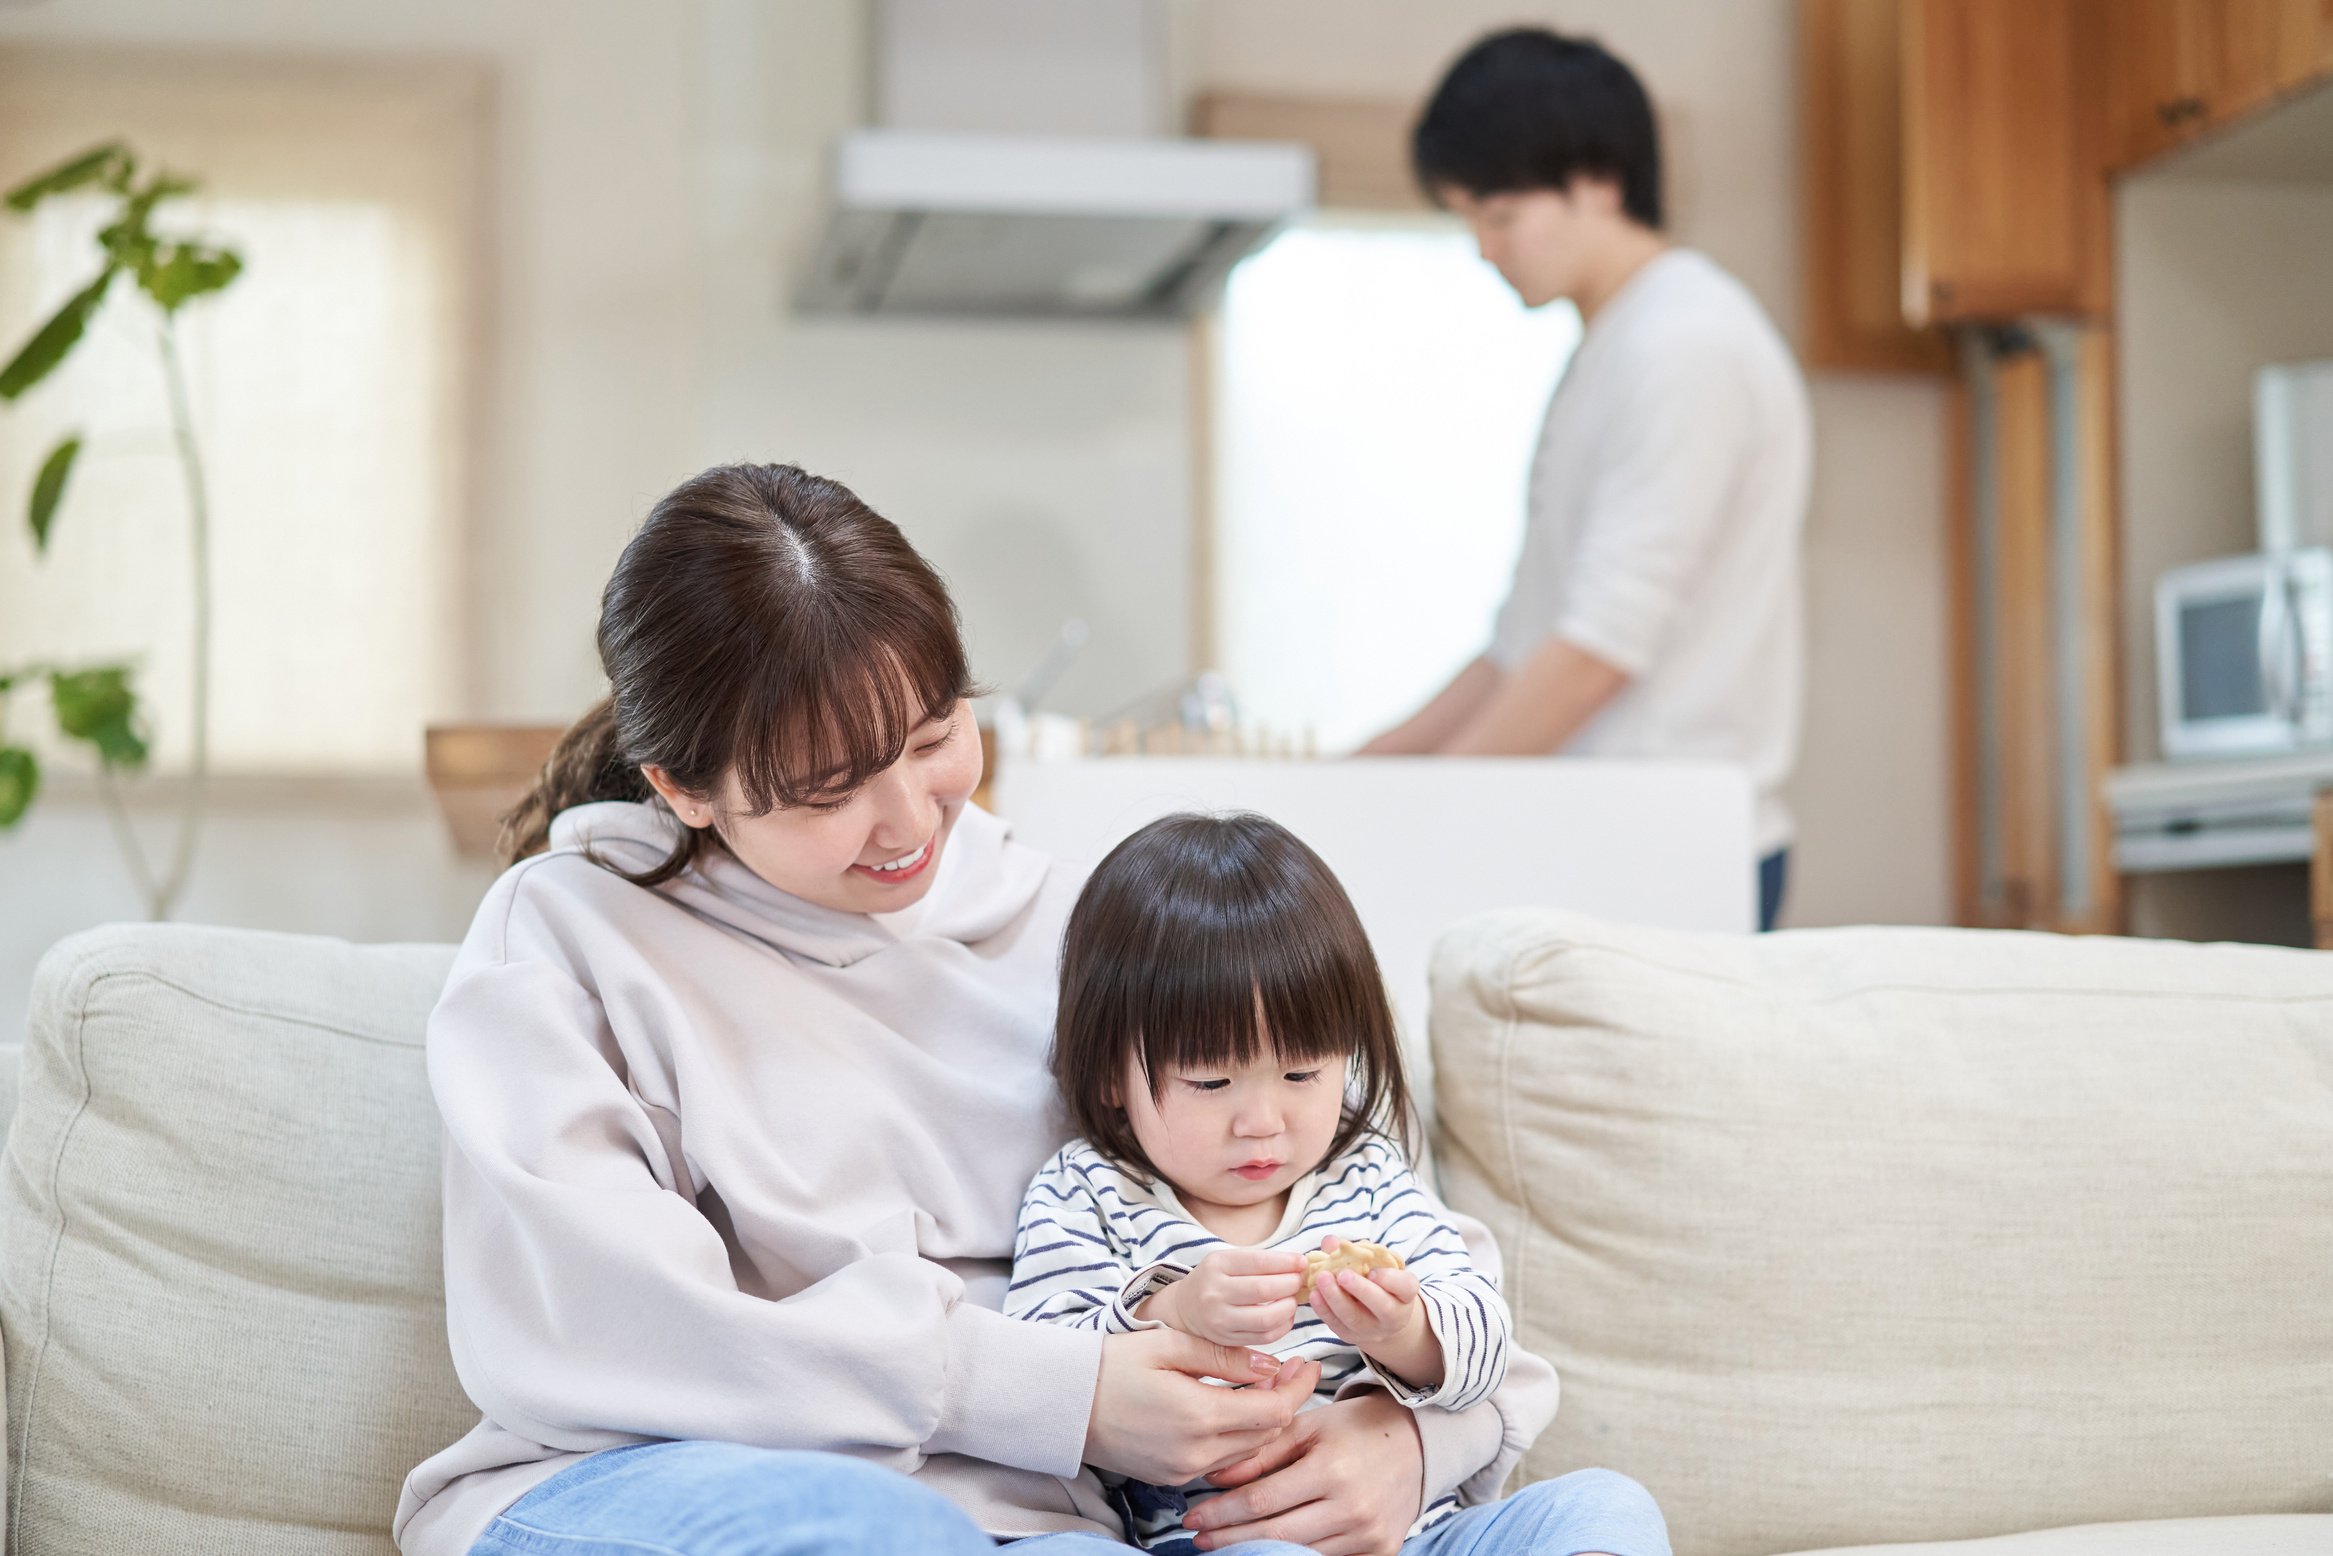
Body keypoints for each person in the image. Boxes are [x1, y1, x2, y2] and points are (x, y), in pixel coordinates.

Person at [392, 463, 1623, 1556]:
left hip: (1048, 1520)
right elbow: (620, 1330)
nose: (912, 820)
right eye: (827, 792)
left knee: (1594, 1518)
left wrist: (1402, 1439)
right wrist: (1062, 1391)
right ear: (684, 787)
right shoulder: (564, 938)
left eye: (934, 735)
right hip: (650, 1485)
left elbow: (1370, 1225)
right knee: (867, 1532)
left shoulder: (1073, 929)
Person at [1009, 812, 1669, 1556]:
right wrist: (1170, 1309)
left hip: (1417, 1537)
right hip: (1222, 1542)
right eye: (1210, 1081)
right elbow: (1044, 1378)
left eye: (1300, 1073)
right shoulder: (1087, 1193)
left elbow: (1485, 1344)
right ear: (1107, 1073)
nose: (1261, 1122)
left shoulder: (1366, 1176)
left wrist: (1406, 1332)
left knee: (1607, 1504)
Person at [1358, 28, 1813, 933]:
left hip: (1674, 854)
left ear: (1597, 181)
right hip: (1618, 836)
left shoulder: (1685, 346)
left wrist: (1412, 814)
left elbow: (1600, 648)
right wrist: (1363, 775)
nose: (1485, 250)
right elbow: (1520, 650)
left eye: (1498, 215)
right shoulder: (1614, 349)